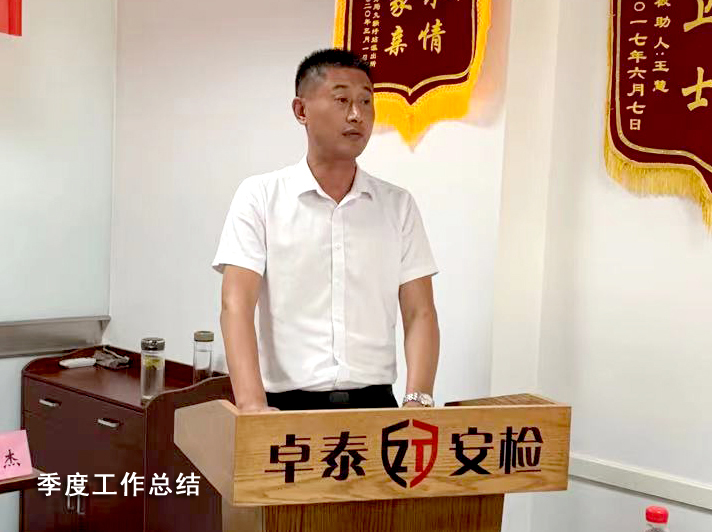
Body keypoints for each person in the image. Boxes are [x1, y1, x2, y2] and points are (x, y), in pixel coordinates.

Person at [212, 48, 439, 412]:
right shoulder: (261, 197)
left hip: (377, 405)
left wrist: (418, 400)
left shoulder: (397, 205)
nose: (356, 114)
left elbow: (420, 312)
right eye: (341, 100)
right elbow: (236, 304)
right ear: (301, 110)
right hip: (284, 408)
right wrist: (253, 406)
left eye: (366, 101)